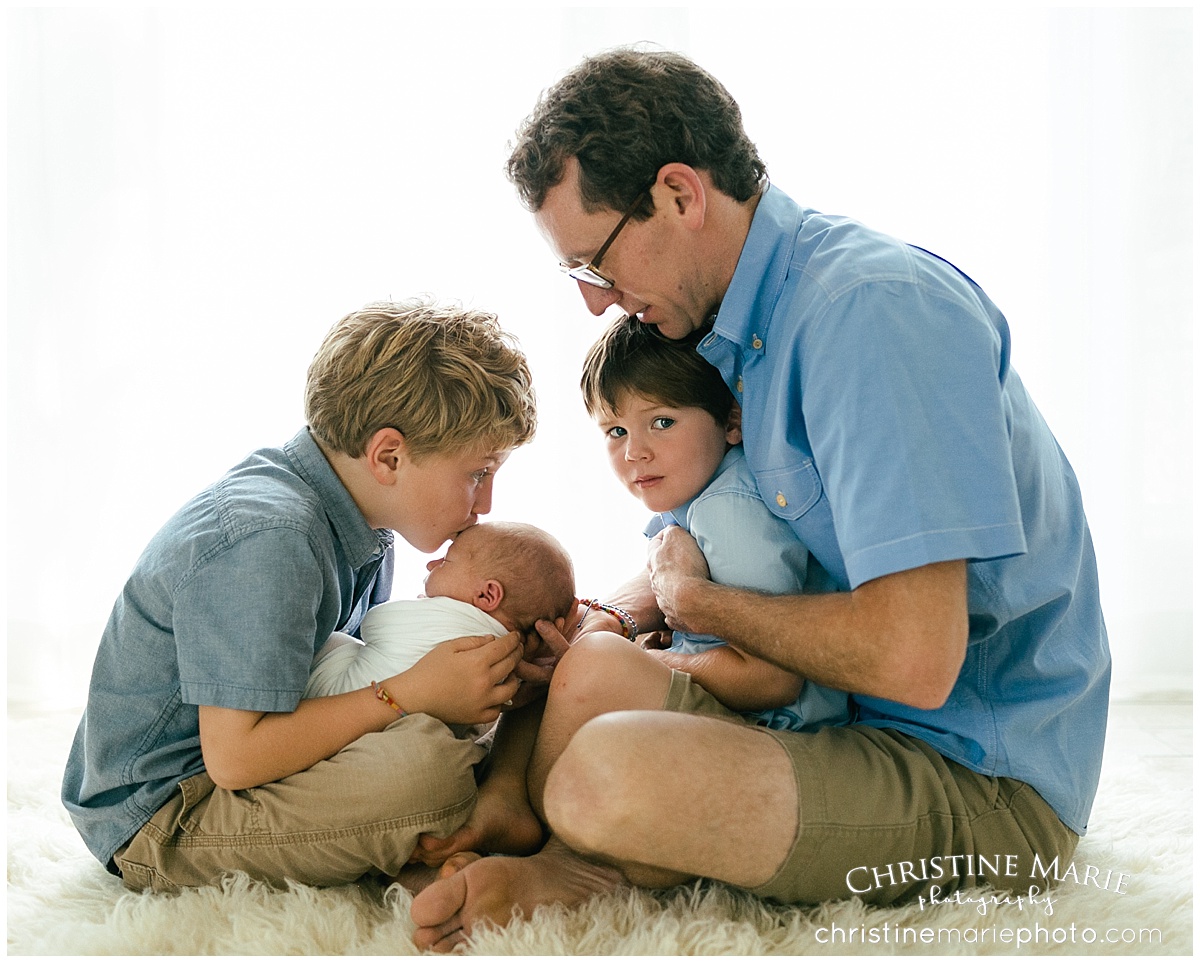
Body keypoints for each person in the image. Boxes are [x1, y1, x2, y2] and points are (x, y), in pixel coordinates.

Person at [409, 47, 1111, 951]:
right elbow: (722, 525)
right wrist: (605, 618)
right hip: (842, 717)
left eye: (596, 262)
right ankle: (547, 835)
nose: (595, 304)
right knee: (588, 673)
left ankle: (584, 859)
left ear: (678, 194)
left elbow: (914, 657)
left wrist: (695, 605)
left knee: (605, 776)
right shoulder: (740, 324)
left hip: (974, 772)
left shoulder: (870, 316)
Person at [61, 298, 543, 893]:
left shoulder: (365, 522)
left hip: (251, 760)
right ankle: (466, 820)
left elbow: (349, 673)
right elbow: (237, 760)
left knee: (491, 700)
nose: (487, 503)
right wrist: (407, 694)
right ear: (388, 456)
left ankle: (488, 807)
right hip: (168, 811)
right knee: (432, 773)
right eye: (478, 472)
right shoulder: (270, 540)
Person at [579, 313, 848, 731]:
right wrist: (611, 620)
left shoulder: (728, 509)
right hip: (742, 706)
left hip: (778, 725)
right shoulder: (692, 487)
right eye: (616, 430)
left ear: (732, 422)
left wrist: (648, 662)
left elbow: (771, 681)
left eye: (662, 422)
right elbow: (661, 572)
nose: (635, 452)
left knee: (588, 679)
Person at [305, 520, 575, 699]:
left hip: (337, 696)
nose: (431, 564)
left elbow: (373, 624)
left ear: (487, 594)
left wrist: (423, 605)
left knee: (336, 639)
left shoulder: (450, 618)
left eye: (446, 560)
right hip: (400, 720)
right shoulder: (509, 654)